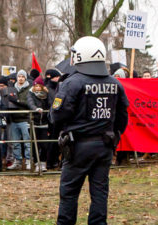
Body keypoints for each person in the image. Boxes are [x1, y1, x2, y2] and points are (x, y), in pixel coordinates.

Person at [50, 36, 129, 225]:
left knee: (69, 193)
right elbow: (122, 119)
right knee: (100, 192)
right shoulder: (115, 84)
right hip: (105, 146)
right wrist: (113, 136)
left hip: (78, 147)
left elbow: (57, 116)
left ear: (81, 56)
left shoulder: (72, 83)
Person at [7, 69, 32, 170]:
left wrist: (17, 101)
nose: (20, 78)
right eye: (19, 76)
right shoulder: (12, 89)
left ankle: (28, 160)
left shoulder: (29, 89)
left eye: (22, 76)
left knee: (27, 142)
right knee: (15, 142)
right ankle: (17, 161)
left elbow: (28, 103)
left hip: (25, 118)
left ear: (25, 78)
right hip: (14, 118)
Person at [27, 82, 50, 172]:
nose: (37, 88)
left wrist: (48, 94)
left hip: (44, 122)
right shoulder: (30, 94)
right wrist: (36, 109)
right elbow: (30, 102)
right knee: (35, 144)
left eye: (39, 86)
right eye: (35, 86)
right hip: (34, 122)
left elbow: (51, 103)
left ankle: (43, 163)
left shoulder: (46, 95)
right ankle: (37, 163)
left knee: (44, 145)